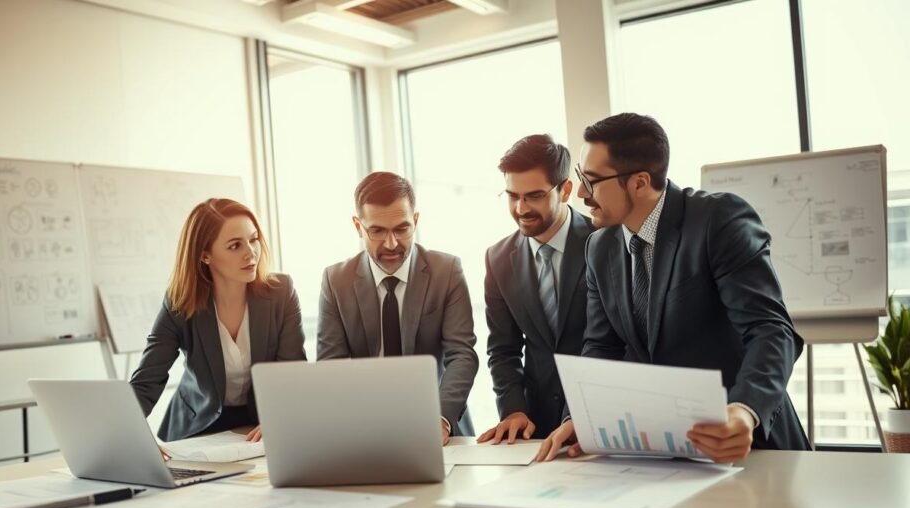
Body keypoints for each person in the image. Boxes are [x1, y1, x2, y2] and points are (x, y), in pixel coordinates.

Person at [535, 113, 810, 464]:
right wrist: (581, 418)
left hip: (746, 444)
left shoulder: (718, 220)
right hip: (663, 452)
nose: (583, 195)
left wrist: (744, 410)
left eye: (592, 182)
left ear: (639, 182)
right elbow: (601, 346)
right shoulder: (599, 247)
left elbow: (771, 330)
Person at [317, 171, 478, 444]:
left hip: (438, 424)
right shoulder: (336, 280)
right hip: (362, 428)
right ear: (358, 226)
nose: (391, 244)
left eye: (401, 229)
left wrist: (440, 418)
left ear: (415, 221)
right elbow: (331, 366)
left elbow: (462, 354)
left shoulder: (446, 271)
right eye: (377, 231)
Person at [131, 198, 306, 444]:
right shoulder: (180, 302)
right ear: (205, 256)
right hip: (196, 428)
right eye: (235, 246)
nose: (250, 252)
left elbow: (292, 373)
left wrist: (279, 417)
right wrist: (129, 439)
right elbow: (146, 381)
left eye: (253, 239)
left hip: (259, 426)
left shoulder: (281, 292)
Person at [478, 135, 594, 443]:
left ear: (565, 190)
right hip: (535, 427)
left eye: (535, 196)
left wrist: (580, 414)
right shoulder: (498, 258)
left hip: (599, 415)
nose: (520, 208)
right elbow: (503, 349)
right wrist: (513, 410)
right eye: (512, 195)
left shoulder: (603, 242)